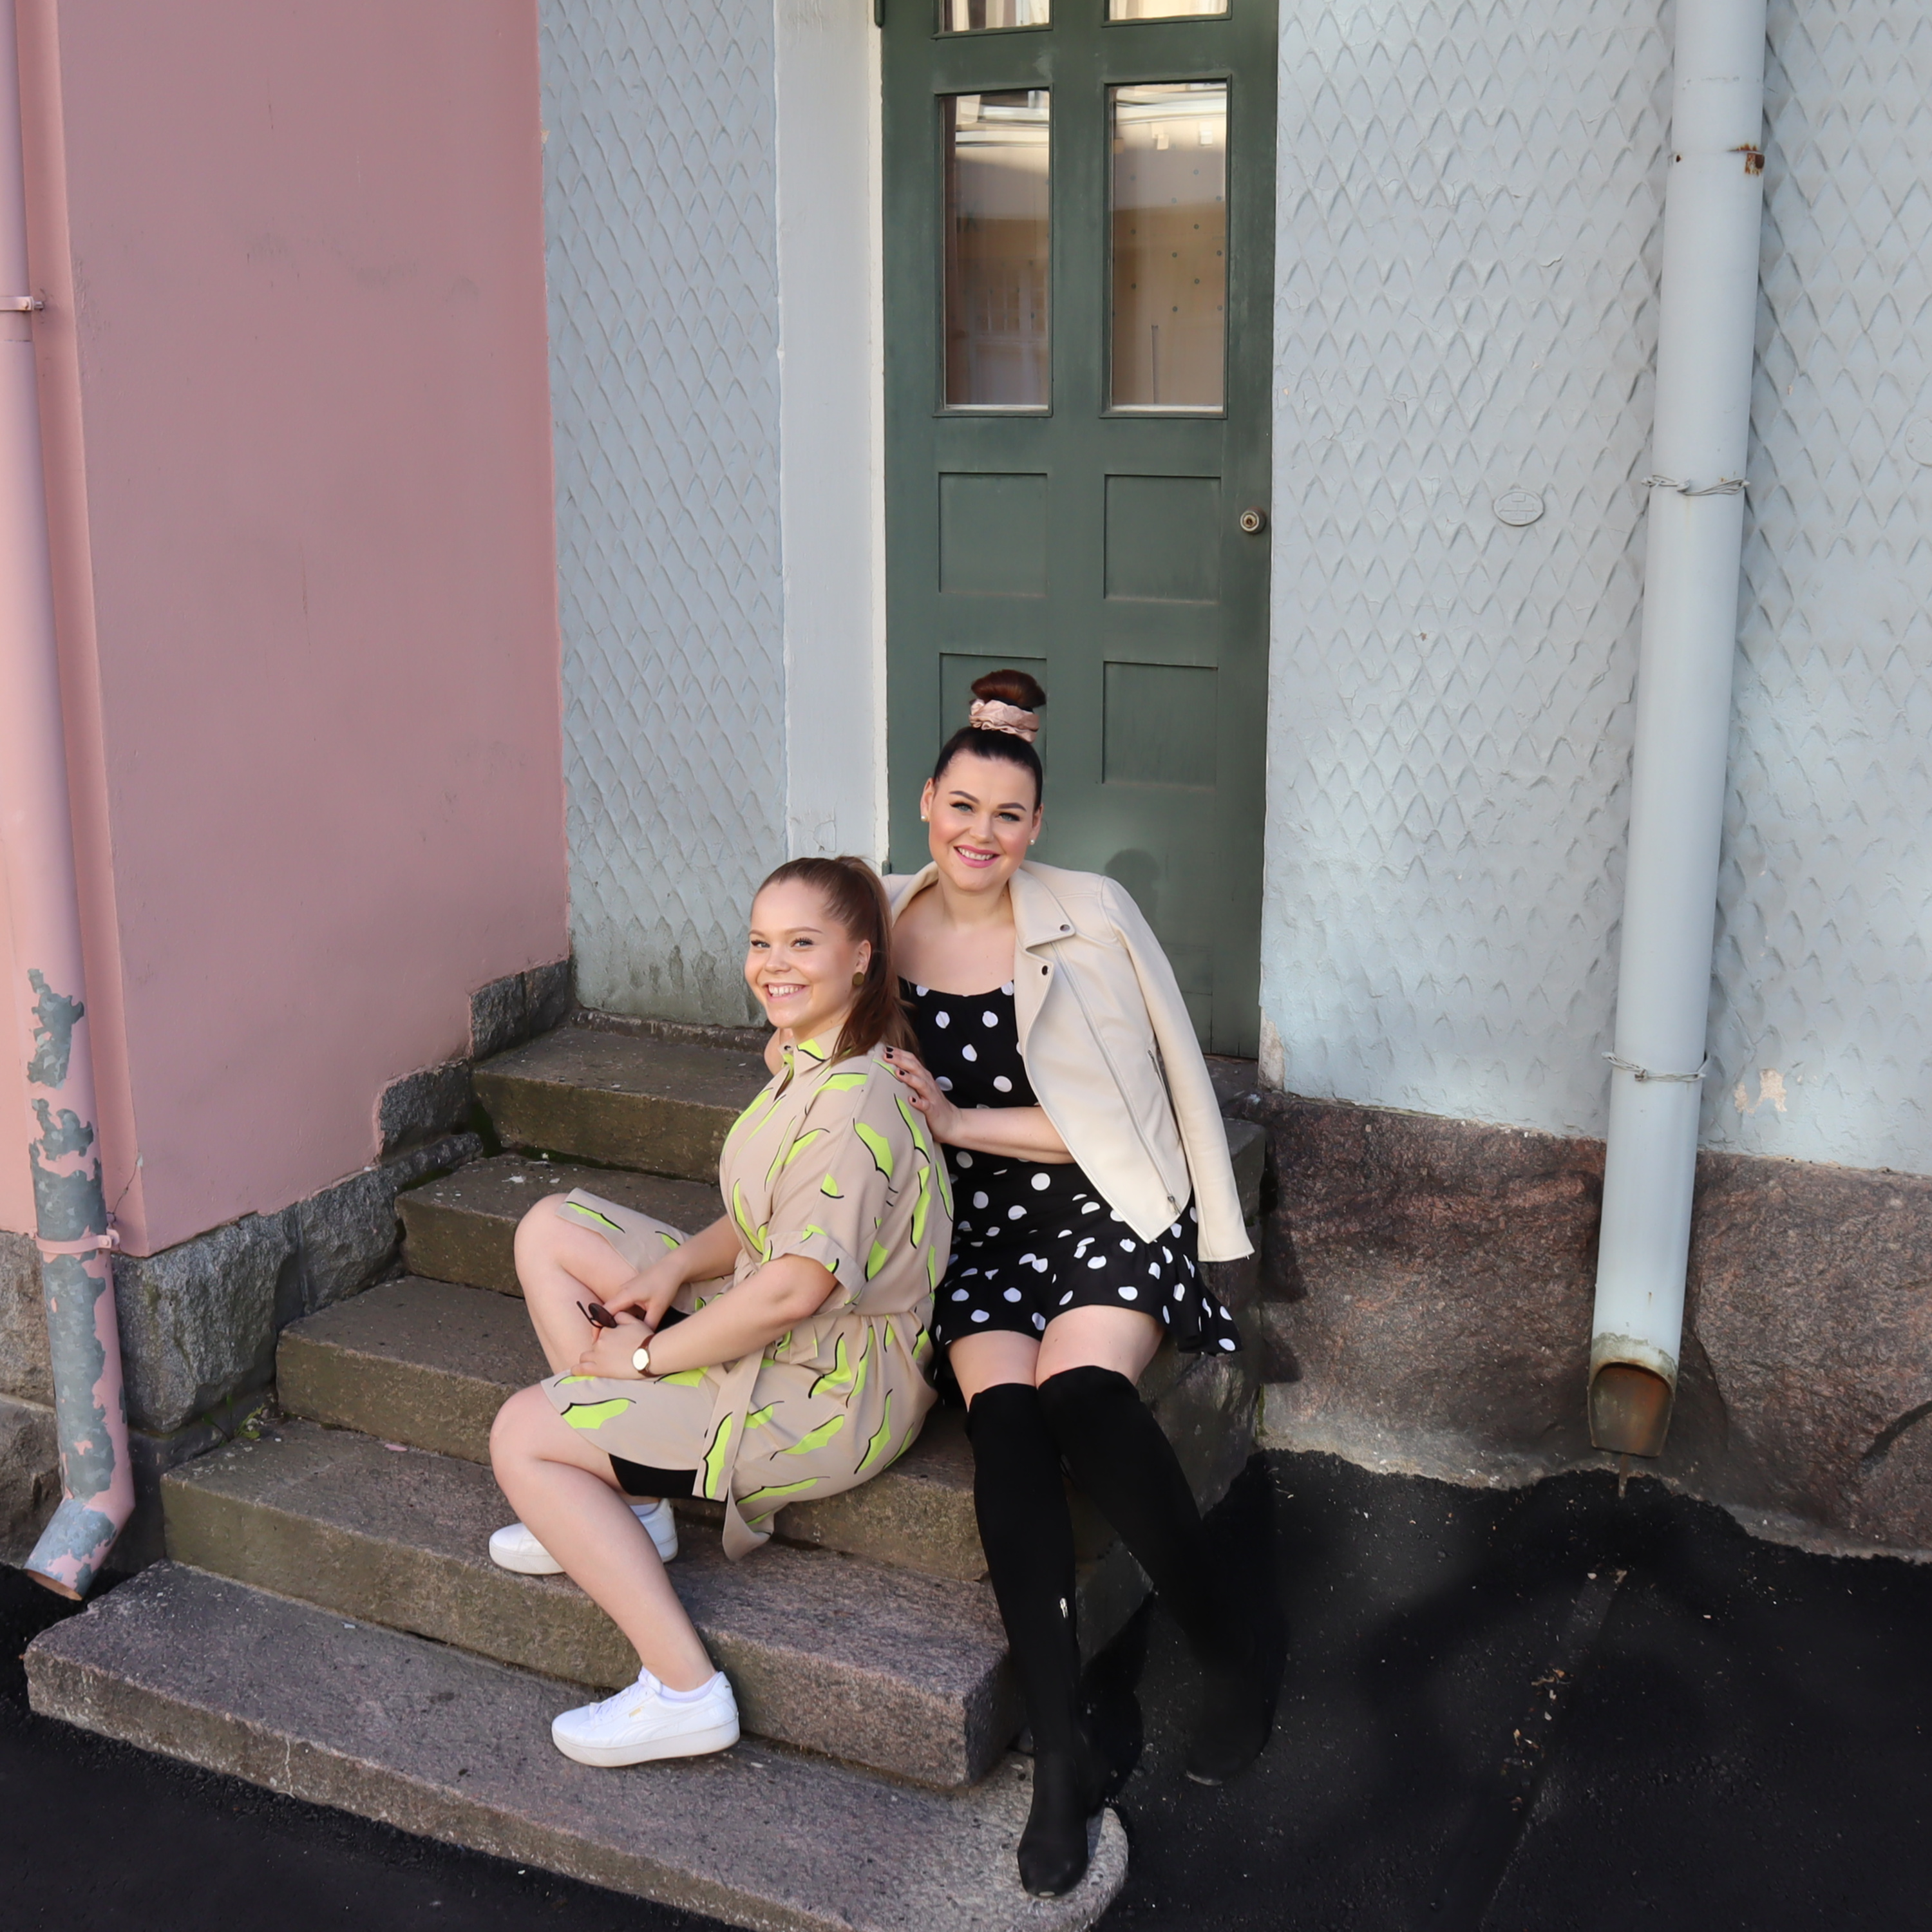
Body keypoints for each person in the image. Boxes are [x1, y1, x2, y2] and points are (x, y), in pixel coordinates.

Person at [886, 670, 1273, 1898]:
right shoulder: (879, 921)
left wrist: (1222, 1239)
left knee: (1084, 1400)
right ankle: (1060, 1757)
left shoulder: (1091, 912)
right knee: (1005, 1427)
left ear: (1037, 825)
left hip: (1103, 1198)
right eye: (962, 807)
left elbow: (1168, 1081)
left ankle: (1234, 1647)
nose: (981, 833)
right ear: (926, 800)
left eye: (1008, 815)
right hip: (976, 1233)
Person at [488, 857, 949, 1768]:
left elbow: (795, 1288)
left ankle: (684, 1692)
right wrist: (670, 1271)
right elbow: (766, 1225)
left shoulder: (856, 1102)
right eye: (761, 942)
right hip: (783, 1316)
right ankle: (635, 1503)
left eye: (802, 943)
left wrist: (643, 1362)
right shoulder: (807, 1055)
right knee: (551, 1230)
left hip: (829, 1387)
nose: (773, 964)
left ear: (862, 955)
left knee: (523, 1435)